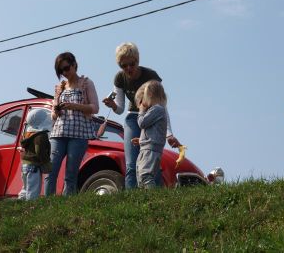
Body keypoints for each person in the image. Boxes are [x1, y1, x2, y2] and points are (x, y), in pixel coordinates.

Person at [102, 42, 181, 189]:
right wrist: (112, 105)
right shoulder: (120, 78)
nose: (128, 69)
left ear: (138, 60)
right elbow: (120, 109)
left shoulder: (150, 76)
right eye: (124, 66)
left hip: (152, 118)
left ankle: (156, 195)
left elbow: (162, 107)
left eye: (132, 64)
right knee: (132, 163)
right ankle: (133, 200)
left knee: (151, 161)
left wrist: (169, 134)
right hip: (133, 118)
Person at [44, 52, 99, 196]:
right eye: (61, 71)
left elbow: (95, 108)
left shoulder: (86, 83)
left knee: (71, 174)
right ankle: (46, 205)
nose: (65, 73)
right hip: (59, 133)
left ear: (74, 64)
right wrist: (56, 110)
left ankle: (67, 206)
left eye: (67, 68)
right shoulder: (59, 87)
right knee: (51, 170)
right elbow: (53, 115)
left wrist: (74, 106)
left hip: (79, 134)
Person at [131, 81, 167, 188]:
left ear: (149, 96)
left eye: (141, 101)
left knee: (146, 175)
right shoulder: (155, 110)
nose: (140, 105)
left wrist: (141, 111)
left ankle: (152, 198)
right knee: (140, 176)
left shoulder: (157, 109)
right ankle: (145, 199)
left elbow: (142, 123)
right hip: (146, 147)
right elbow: (152, 130)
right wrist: (141, 139)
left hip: (150, 149)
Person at [18, 109, 52, 200]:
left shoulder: (28, 133)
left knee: (25, 187)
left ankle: (20, 201)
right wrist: (46, 163)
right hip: (34, 166)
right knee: (33, 189)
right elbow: (39, 151)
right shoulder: (41, 135)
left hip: (25, 165)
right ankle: (31, 207)